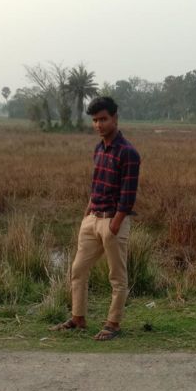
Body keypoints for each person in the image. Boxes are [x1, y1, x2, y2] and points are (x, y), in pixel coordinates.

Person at [54, 96, 141, 341]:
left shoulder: (128, 153)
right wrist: (87, 214)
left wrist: (114, 224)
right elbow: (96, 186)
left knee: (117, 277)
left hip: (113, 222)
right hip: (93, 219)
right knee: (78, 270)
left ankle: (113, 324)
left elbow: (128, 194)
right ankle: (78, 318)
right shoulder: (99, 149)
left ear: (115, 118)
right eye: (94, 120)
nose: (98, 125)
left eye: (103, 119)